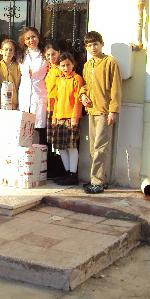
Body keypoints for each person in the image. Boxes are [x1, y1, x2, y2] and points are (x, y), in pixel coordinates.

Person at [79, 31, 122, 194]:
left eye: (95, 44)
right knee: (93, 148)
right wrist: (82, 96)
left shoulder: (110, 63)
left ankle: (96, 182)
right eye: (89, 45)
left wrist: (113, 110)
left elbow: (116, 89)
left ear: (101, 44)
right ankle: (101, 179)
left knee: (101, 147)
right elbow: (85, 86)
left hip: (104, 111)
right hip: (92, 111)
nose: (92, 48)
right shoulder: (88, 65)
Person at [50, 52, 84, 186]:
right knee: (61, 147)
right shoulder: (58, 79)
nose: (65, 68)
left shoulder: (76, 79)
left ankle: (73, 174)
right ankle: (66, 171)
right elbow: (56, 100)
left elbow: (77, 100)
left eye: (68, 65)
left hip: (70, 117)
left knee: (71, 146)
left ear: (73, 64)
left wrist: (75, 117)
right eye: (63, 65)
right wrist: (54, 117)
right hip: (59, 117)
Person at [17, 26, 49, 144]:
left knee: (38, 130)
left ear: (38, 37)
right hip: (25, 95)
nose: (31, 40)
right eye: (28, 38)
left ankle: (40, 160)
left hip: (39, 94)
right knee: (25, 130)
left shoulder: (44, 55)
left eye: (33, 37)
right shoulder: (22, 56)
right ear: (24, 41)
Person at [0, 38, 20, 130]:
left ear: (14, 53)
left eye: (11, 50)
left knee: (10, 130)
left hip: (12, 105)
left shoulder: (17, 67)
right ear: (1, 51)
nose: (8, 52)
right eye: (6, 50)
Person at [44, 41, 65, 180]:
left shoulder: (61, 69)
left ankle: (62, 169)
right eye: (48, 55)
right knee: (52, 140)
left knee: (59, 141)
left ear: (59, 53)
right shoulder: (49, 69)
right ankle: (53, 168)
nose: (51, 57)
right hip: (49, 107)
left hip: (58, 108)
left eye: (53, 54)